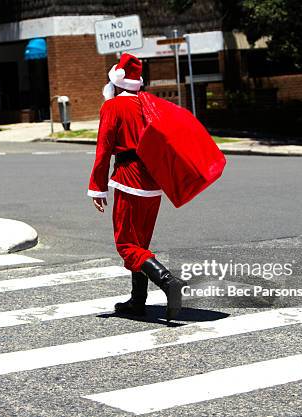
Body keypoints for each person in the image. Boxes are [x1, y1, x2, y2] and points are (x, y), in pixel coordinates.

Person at [88, 53, 185, 321]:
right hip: (154, 181)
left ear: (116, 82)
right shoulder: (149, 104)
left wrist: (97, 187)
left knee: (127, 244)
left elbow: (104, 149)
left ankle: (168, 282)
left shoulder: (113, 107)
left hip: (129, 179)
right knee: (140, 243)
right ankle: (138, 300)